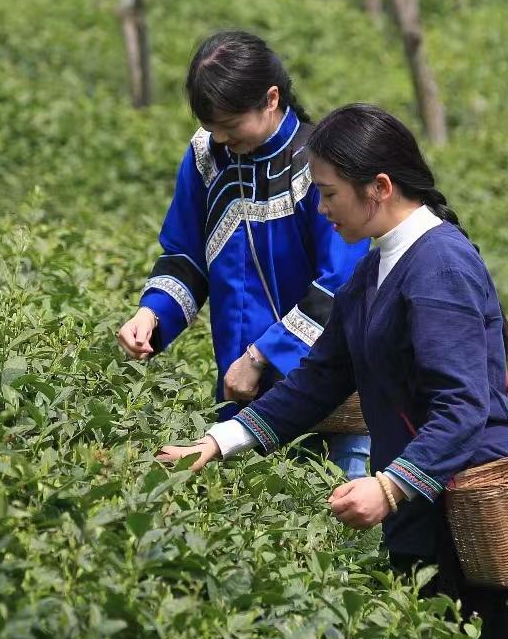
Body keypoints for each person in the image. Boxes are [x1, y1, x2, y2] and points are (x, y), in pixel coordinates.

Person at [155, 103, 508, 639]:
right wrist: (218, 441)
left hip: (477, 526)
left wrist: (390, 488)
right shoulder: (377, 266)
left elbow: (462, 410)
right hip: (425, 521)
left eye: (328, 193)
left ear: (380, 187)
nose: (321, 210)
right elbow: (321, 377)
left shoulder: (439, 266)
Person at [118, 31, 373, 478]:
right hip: (239, 397)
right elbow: (186, 254)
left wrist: (262, 357)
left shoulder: (320, 165)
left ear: (271, 99)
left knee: (337, 527)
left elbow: (341, 284)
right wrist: (151, 314)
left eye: (231, 125)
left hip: (329, 401)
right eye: (213, 126)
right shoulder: (208, 156)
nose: (221, 137)